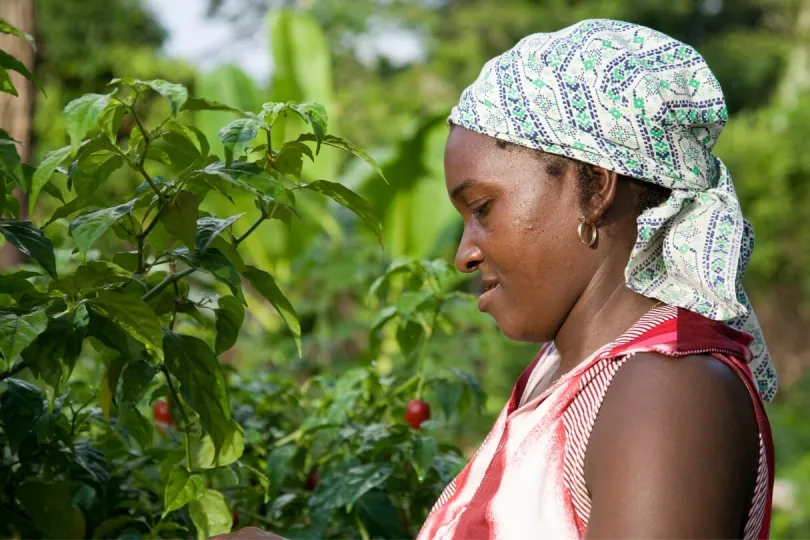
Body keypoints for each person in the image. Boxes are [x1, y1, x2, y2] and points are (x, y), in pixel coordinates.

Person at [224, 18, 776, 540]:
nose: (464, 253)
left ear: (597, 187)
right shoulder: (566, 380)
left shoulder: (666, 390)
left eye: (483, 207)